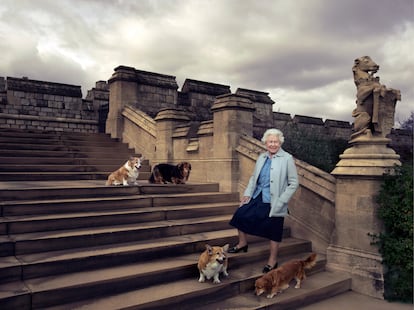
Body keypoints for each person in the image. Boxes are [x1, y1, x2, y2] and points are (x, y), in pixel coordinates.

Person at [228, 128, 299, 273]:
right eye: (270, 141)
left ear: (280, 143)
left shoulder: (287, 158)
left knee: (274, 230)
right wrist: (247, 194)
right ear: (265, 143)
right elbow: (254, 178)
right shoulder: (262, 157)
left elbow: (294, 183)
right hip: (258, 195)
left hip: (275, 201)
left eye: (275, 142)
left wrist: (282, 201)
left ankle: (272, 260)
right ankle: (242, 243)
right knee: (240, 215)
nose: (273, 144)